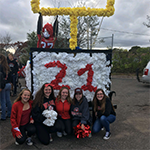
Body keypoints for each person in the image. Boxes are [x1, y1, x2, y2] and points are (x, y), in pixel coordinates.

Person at [0, 54, 12, 120]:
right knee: (8, 100)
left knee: (2, 101)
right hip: (8, 84)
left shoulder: (0, 66)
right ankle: (9, 114)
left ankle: (3, 116)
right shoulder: (7, 66)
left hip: (3, 85)